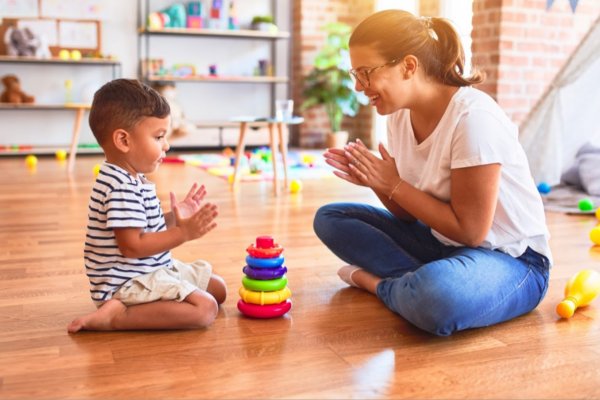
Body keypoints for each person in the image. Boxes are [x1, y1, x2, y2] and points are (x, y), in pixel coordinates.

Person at [313, 10, 552, 336]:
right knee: (331, 218)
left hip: (512, 260)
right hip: (440, 242)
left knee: (436, 298)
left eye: (366, 72)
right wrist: (377, 182)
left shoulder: (473, 118)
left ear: (409, 66)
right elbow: (406, 214)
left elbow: (471, 233)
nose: (358, 86)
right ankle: (417, 285)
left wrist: (392, 182)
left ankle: (381, 285)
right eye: (355, 73)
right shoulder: (398, 117)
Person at [68, 79, 226, 333]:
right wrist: (182, 234)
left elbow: (144, 228)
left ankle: (137, 307)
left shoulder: (131, 177)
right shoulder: (120, 187)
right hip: (127, 282)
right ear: (124, 140)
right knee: (205, 309)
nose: (167, 145)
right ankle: (116, 315)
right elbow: (132, 246)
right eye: (159, 136)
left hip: (152, 269)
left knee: (218, 288)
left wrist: (176, 217)